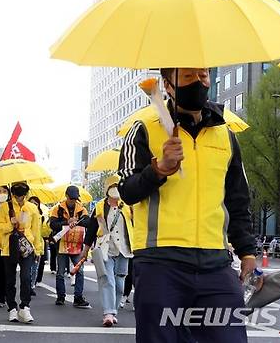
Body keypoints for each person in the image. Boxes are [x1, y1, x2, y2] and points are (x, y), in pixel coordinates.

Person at [119, 67, 256, 342]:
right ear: (168, 85)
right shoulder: (144, 129)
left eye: (203, 75)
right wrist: (158, 169)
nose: (199, 82)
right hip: (161, 262)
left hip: (216, 263)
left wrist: (247, 251)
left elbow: (237, 199)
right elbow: (127, 190)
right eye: (188, 77)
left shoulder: (226, 135)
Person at [80, 175, 133, 327]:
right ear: (107, 190)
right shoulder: (100, 206)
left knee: (119, 283)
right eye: (113, 187)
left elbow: (137, 226)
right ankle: (108, 313)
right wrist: (86, 249)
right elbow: (92, 229)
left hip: (125, 249)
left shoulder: (129, 205)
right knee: (107, 279)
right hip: (105, 249)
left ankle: (113, 311)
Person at [0, 181, 37, 323]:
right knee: (10, 280)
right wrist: (11, 224)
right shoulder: (4, 207)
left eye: (22, 195)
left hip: (27, 246)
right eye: (17, 195)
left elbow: (35, 229)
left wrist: (38, 249)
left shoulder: (32, 208)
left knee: (26, 277)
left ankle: (25, 307)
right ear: (13, 194)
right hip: (9, 247)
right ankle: (12, 308)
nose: (20, 198)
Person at [49, 186, 90, 308]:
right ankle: (60, 297)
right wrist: (67, 222)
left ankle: (78, 297)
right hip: (62, 244)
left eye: (75, 199)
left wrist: (76, 221)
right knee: (60, 272)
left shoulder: (82, 209)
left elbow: (88, 222)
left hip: (76, 244)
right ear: (66, 196)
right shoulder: (57, 209)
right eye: (71, 198)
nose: (73, 201)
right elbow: (53, 225)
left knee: (80, 271)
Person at [27, 196, 44, 297]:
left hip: (38, 244)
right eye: (31, 203)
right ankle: (27, 286)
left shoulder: (41, 216)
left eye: (36, 204)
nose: (33, 205)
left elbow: (43, 231)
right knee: (27, 268)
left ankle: (32, 285)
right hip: (27, 244)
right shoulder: (25, 214)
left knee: (35, 268)